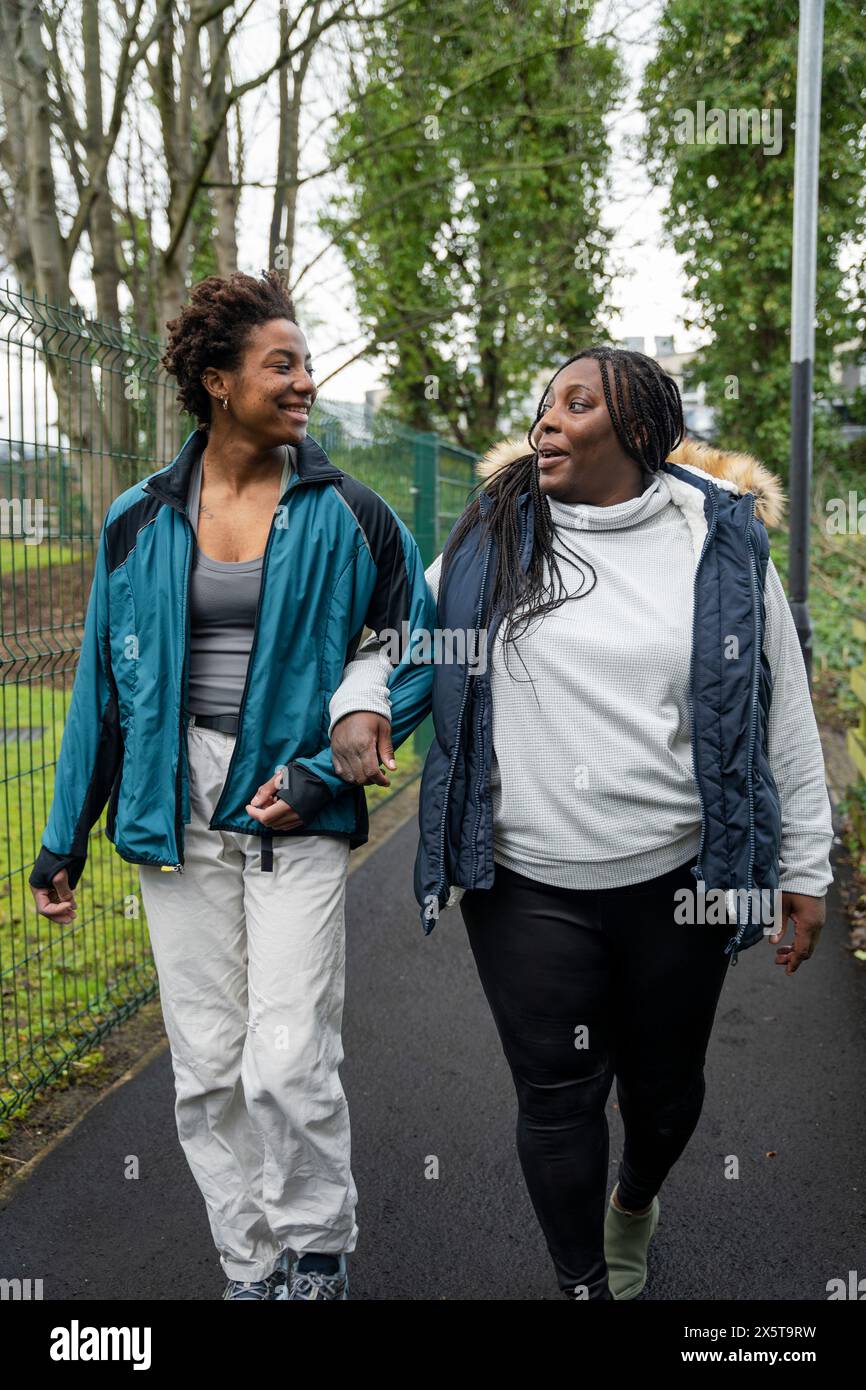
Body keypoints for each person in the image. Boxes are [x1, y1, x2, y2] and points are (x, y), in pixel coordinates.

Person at [326, 345, 835, 1301]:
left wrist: (805, 867)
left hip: (678, 878)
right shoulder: (493, 531)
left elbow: (784, 711)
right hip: (523, 880)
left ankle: (635, 1199)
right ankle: (583, 1284)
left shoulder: (716, 538)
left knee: (664, 1096)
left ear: (638, 428)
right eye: (544, 403)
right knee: (557, 1099)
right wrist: (354, 707)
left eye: (576, 402)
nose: (547, 421)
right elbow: (402, 639)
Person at [28, 269, 436, 1301]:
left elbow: (419, 647)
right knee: (209, 1062)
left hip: (289, 803)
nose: (304, 381)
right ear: (217, 382)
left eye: (305, 363)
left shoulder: (351, 512)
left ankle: (315, 1248)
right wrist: (63, 835)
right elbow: (101, 692)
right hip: (172, 805)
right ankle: (252, 1265)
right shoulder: (136, 518)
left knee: (288, 1051)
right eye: (280, 364)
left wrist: (319, 768)